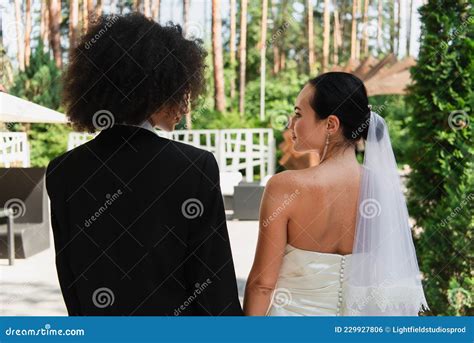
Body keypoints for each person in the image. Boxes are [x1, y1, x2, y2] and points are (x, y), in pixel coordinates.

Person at [46, 13, 242, 316]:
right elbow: (214, 283)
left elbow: (70, 276)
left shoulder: (62, 170)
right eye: (180, 92)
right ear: (155, 89)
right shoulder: (195, 166)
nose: (185, 106)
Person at [244, 72, 429, 316]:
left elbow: (262, 285)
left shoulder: (284, 186)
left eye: (299, 114)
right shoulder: (382, 189)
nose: (290, 122)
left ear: (331, 124)